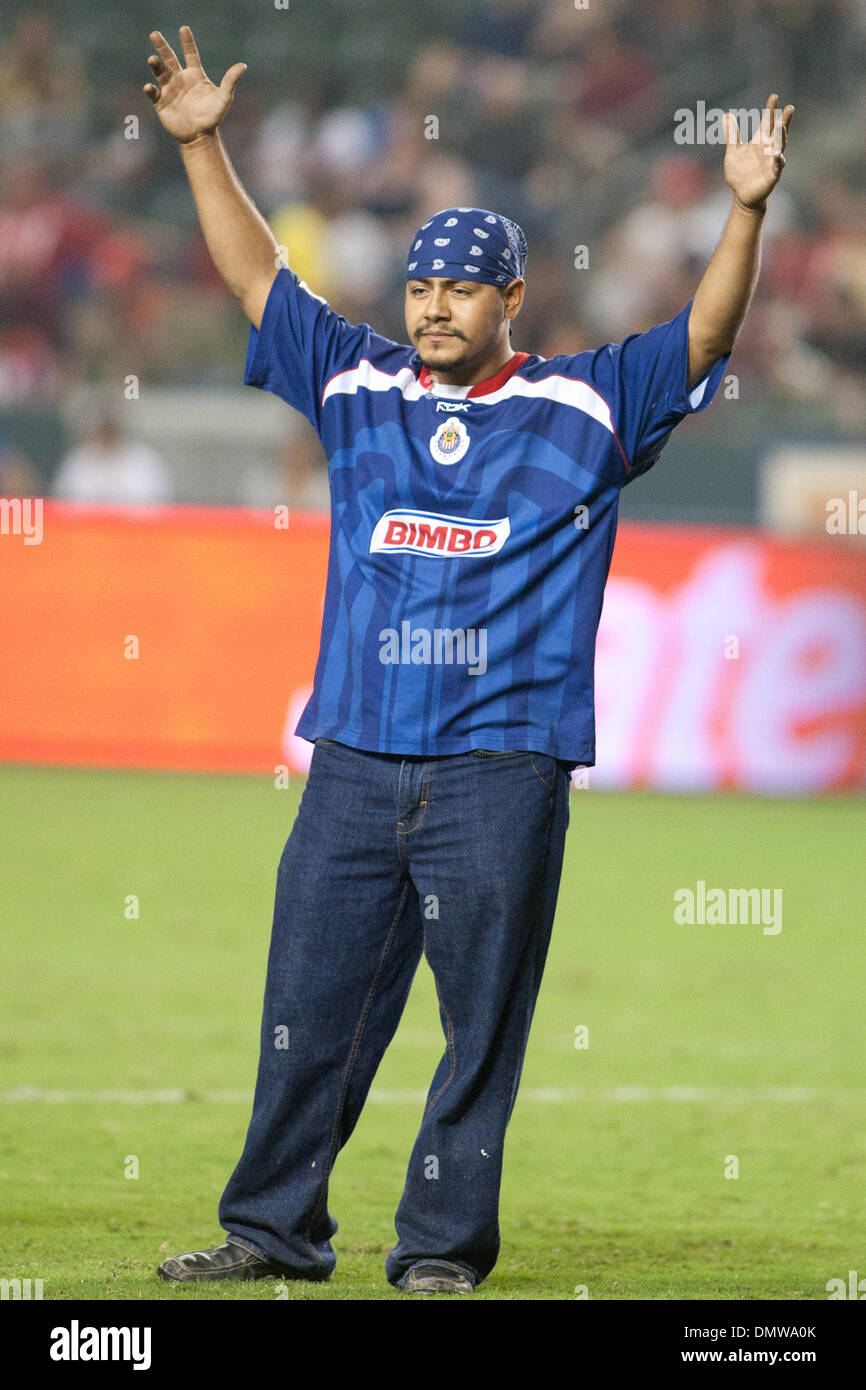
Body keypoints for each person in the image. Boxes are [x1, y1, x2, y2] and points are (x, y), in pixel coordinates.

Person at [143, 26, 792, 1295]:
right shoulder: (356, 383)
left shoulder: (590, 403)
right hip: (353, 760)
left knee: (473, 1029)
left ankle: (438, 1250)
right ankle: (273, 1231)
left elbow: (703, 338)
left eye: (460, 289)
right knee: (307, 1012)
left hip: (500, 766)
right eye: (421, 287)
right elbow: (255, 281)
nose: (433, 306)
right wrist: (203, 146)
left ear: (509, 301)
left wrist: (743, 215)